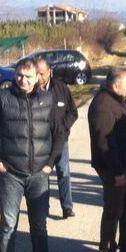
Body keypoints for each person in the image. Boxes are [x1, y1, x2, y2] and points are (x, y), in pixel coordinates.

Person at [0, 58, 67, 252]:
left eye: (28, 76)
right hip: (11, 174)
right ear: (15, 74)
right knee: (8, 225)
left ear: (37, 78)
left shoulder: (47, 99)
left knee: (39, 226)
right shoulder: (2, 98)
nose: (23, 80)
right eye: (19, 75)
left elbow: (59, 134)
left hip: (39, 174)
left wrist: (50, 163)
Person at [89, 67, 126, 252]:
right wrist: (118, 171)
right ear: (115, 84)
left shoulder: (117, 99)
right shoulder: (103, 104)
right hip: (113, 167)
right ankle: (107, 250)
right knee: (114, 208)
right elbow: (104, 142)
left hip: (125, 164)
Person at [35, 58, 79, 218]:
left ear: (49, 72)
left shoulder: (61, 89)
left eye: (42, 74)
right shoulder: (30, 90)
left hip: (60, 140)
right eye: (36, 74)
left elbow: (73, 112)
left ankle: (67, 206)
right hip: (39, 141)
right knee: (42, 174)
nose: (39, 78)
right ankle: (42, 207)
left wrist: (63, 127)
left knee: (63, 171)